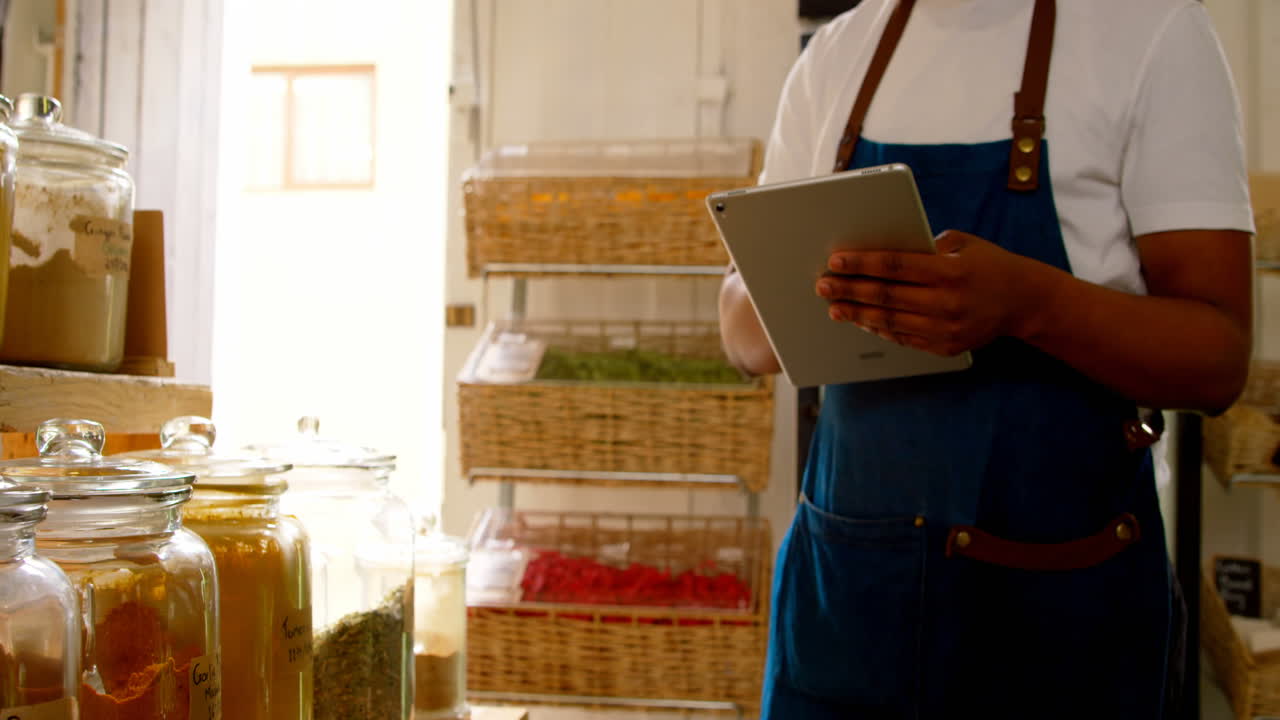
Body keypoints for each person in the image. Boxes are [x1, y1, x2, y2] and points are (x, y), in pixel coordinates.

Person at [719, 0, 1255, 717]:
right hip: (849, 607)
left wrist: (1031, 306)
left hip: (1053, 620)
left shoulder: (1151, 31)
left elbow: (1217, 361)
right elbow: (742, 335)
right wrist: (806, 294)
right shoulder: (838, 54)